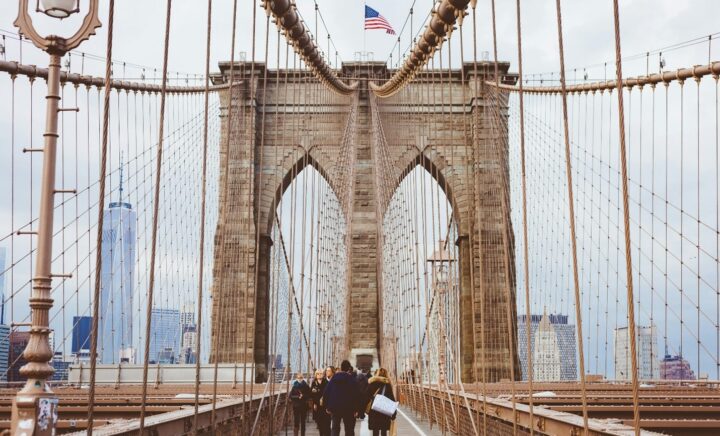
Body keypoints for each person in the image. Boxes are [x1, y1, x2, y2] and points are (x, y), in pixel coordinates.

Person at [323, 360, 361, 436]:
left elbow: (326, 392)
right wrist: (357, 409)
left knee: (335, 428)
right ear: (349, 368)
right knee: (349, 429)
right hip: (349, 408)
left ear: (341, 367)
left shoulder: (334, 378)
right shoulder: (352, 379)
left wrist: (327, 406)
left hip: (335, 407)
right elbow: (356, 395)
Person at [365, 368, 397, 436]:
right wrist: (394, 413)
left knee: (375, 431)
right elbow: (392, 399)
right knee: (384, 431)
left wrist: (362, 410)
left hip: (374, 410)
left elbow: (366, 396)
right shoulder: (387, 385)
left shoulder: (372, 383)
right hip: (384, 411)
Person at [310, 368, 331, 436]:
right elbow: (312, 395)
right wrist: (315, 403)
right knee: (320, 424)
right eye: (318, 374)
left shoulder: (326, 382)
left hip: (325, 406)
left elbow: (329, 394)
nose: (319, 375)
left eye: (321, 373)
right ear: (316, 375)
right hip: (317, 406)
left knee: (327, 425)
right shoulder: (314, 383)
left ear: (323, 374)